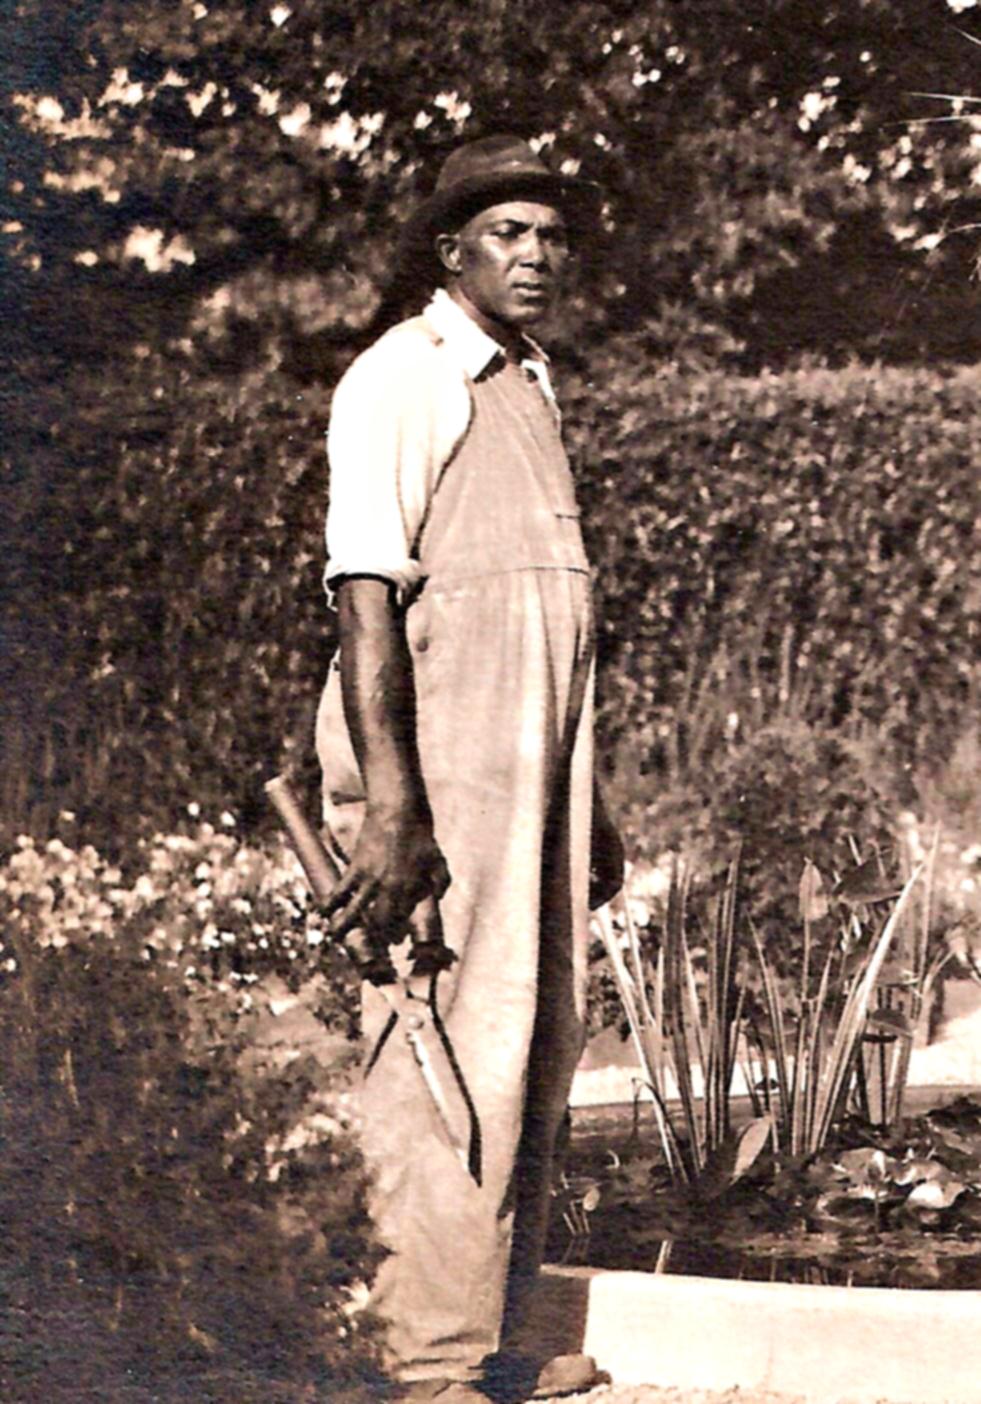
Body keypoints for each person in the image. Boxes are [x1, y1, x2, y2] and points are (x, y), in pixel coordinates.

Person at [315, 134, 624, 1403]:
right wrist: (394, 809)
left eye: (553, 236)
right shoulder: (406, 374)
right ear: (454, 255)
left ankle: (492, 1342)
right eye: (510, 235)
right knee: (446, 1035)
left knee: (539, 1030)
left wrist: (591, 806)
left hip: (538, 760)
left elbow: (555, 622)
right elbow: (365, 599)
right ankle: (420, 1361)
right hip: (442, 755)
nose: (538, 256)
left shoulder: (531, 383)